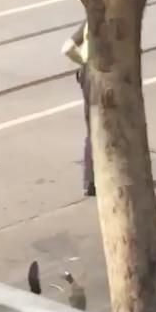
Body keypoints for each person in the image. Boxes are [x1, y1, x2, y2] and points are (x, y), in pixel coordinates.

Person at [62, 21, 96, 196]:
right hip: (107, 79)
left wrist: (84, 62)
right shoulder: (115, 21)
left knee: (93, 128)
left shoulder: (89, 20)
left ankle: (90, 181)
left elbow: (67, 48)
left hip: (87, 77)